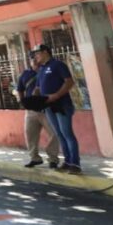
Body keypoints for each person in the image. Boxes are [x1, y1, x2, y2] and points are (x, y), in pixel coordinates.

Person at [33, 44, 81, 174]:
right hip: (48, 107)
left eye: (37, 53)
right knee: (59, 135)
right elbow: (38, 87)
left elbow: (69, 82)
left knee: (67, 133)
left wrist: (57, 95)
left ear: (45, 52)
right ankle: (67, 161)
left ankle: (75, 164)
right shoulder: (41, 69)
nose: (35, 56)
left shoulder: (58, 65)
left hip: (62, 105)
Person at [15, 50, 61, 169]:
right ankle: (34, 158)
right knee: (30, 135)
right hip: (31, 110)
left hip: (46, 108)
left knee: (54, 133)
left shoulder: (47, 71)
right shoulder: (25, 74)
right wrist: (22, 101)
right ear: (29, 61)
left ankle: (53, 158)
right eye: (32, 59)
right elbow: (19, 89)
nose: (35, 61)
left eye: (36, 58)